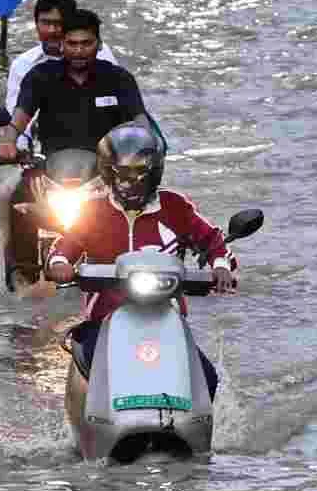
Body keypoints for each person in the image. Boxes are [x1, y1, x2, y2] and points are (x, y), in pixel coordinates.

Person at [44, 122, 237, 399]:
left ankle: (198, 431)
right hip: (105, 318)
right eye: (120, 174)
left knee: (206, 379)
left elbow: (211, 239)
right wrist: (60, 263)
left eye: (138, 174)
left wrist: (220, 267)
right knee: (89, 361)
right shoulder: (92, 210)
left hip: (166, 316)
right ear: (108, 174)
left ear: (154, 173)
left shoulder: (175, 207)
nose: (128, 182)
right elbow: (66, 244)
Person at [0, 8, 150, 292]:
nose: (79, 51)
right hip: (50, 167)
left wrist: (147, 146)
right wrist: (8, 142)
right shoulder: (40, 76)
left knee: (146, 200)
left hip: (108, 171)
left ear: (99, 44)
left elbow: (140, 121)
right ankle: (23, 277)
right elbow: (19, 117)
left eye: (86, 43)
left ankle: (141, 269)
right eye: (72, 44)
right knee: (10, 197)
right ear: (61, 44)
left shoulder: (118, 79)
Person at [4, 0, 117, 151]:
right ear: (36, 24)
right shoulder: (24, 66)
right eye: (45, 22)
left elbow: (121, 104)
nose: (52, 30)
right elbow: (17, 116)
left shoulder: (103, 55)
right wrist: (16, 149)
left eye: (58, 23)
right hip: (45, 153)